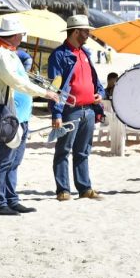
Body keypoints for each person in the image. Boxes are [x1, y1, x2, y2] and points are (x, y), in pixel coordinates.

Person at [0, 17, 59, 215]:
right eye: (21, 34)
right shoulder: (0, 54)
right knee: (4, 159)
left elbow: (22, 79)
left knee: (14, 160)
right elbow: (16, 81)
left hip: (20, 116)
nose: (23, 37)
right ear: (16, 35)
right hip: (7, 115)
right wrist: (45, 93)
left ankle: (11, 198)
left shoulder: (11, 54)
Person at [48, 15, 106, 202]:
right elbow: (55, 88)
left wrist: (100, 93)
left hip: (89, 109)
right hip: (69, 110)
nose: (88, 34)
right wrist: (56, 113)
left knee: (83, 150)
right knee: (63, 150)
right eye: (85, 31)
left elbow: (94, 80)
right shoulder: (59, 55)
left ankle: (84, 188)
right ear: (75, 32)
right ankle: (63, 190)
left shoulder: (85, 53)